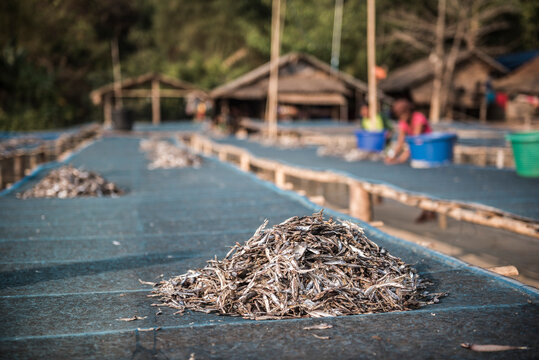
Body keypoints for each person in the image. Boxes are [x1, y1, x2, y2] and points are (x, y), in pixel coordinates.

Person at [385, 99, 431, 165]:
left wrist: (401, 158)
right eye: (399, 115)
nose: (401, 116)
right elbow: (400, 142)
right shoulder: (403, 122)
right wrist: (392, 156)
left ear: (408, 111)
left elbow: (416, 141)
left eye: (403, 113)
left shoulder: (419, 118)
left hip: (428, 147)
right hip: (415, 150)